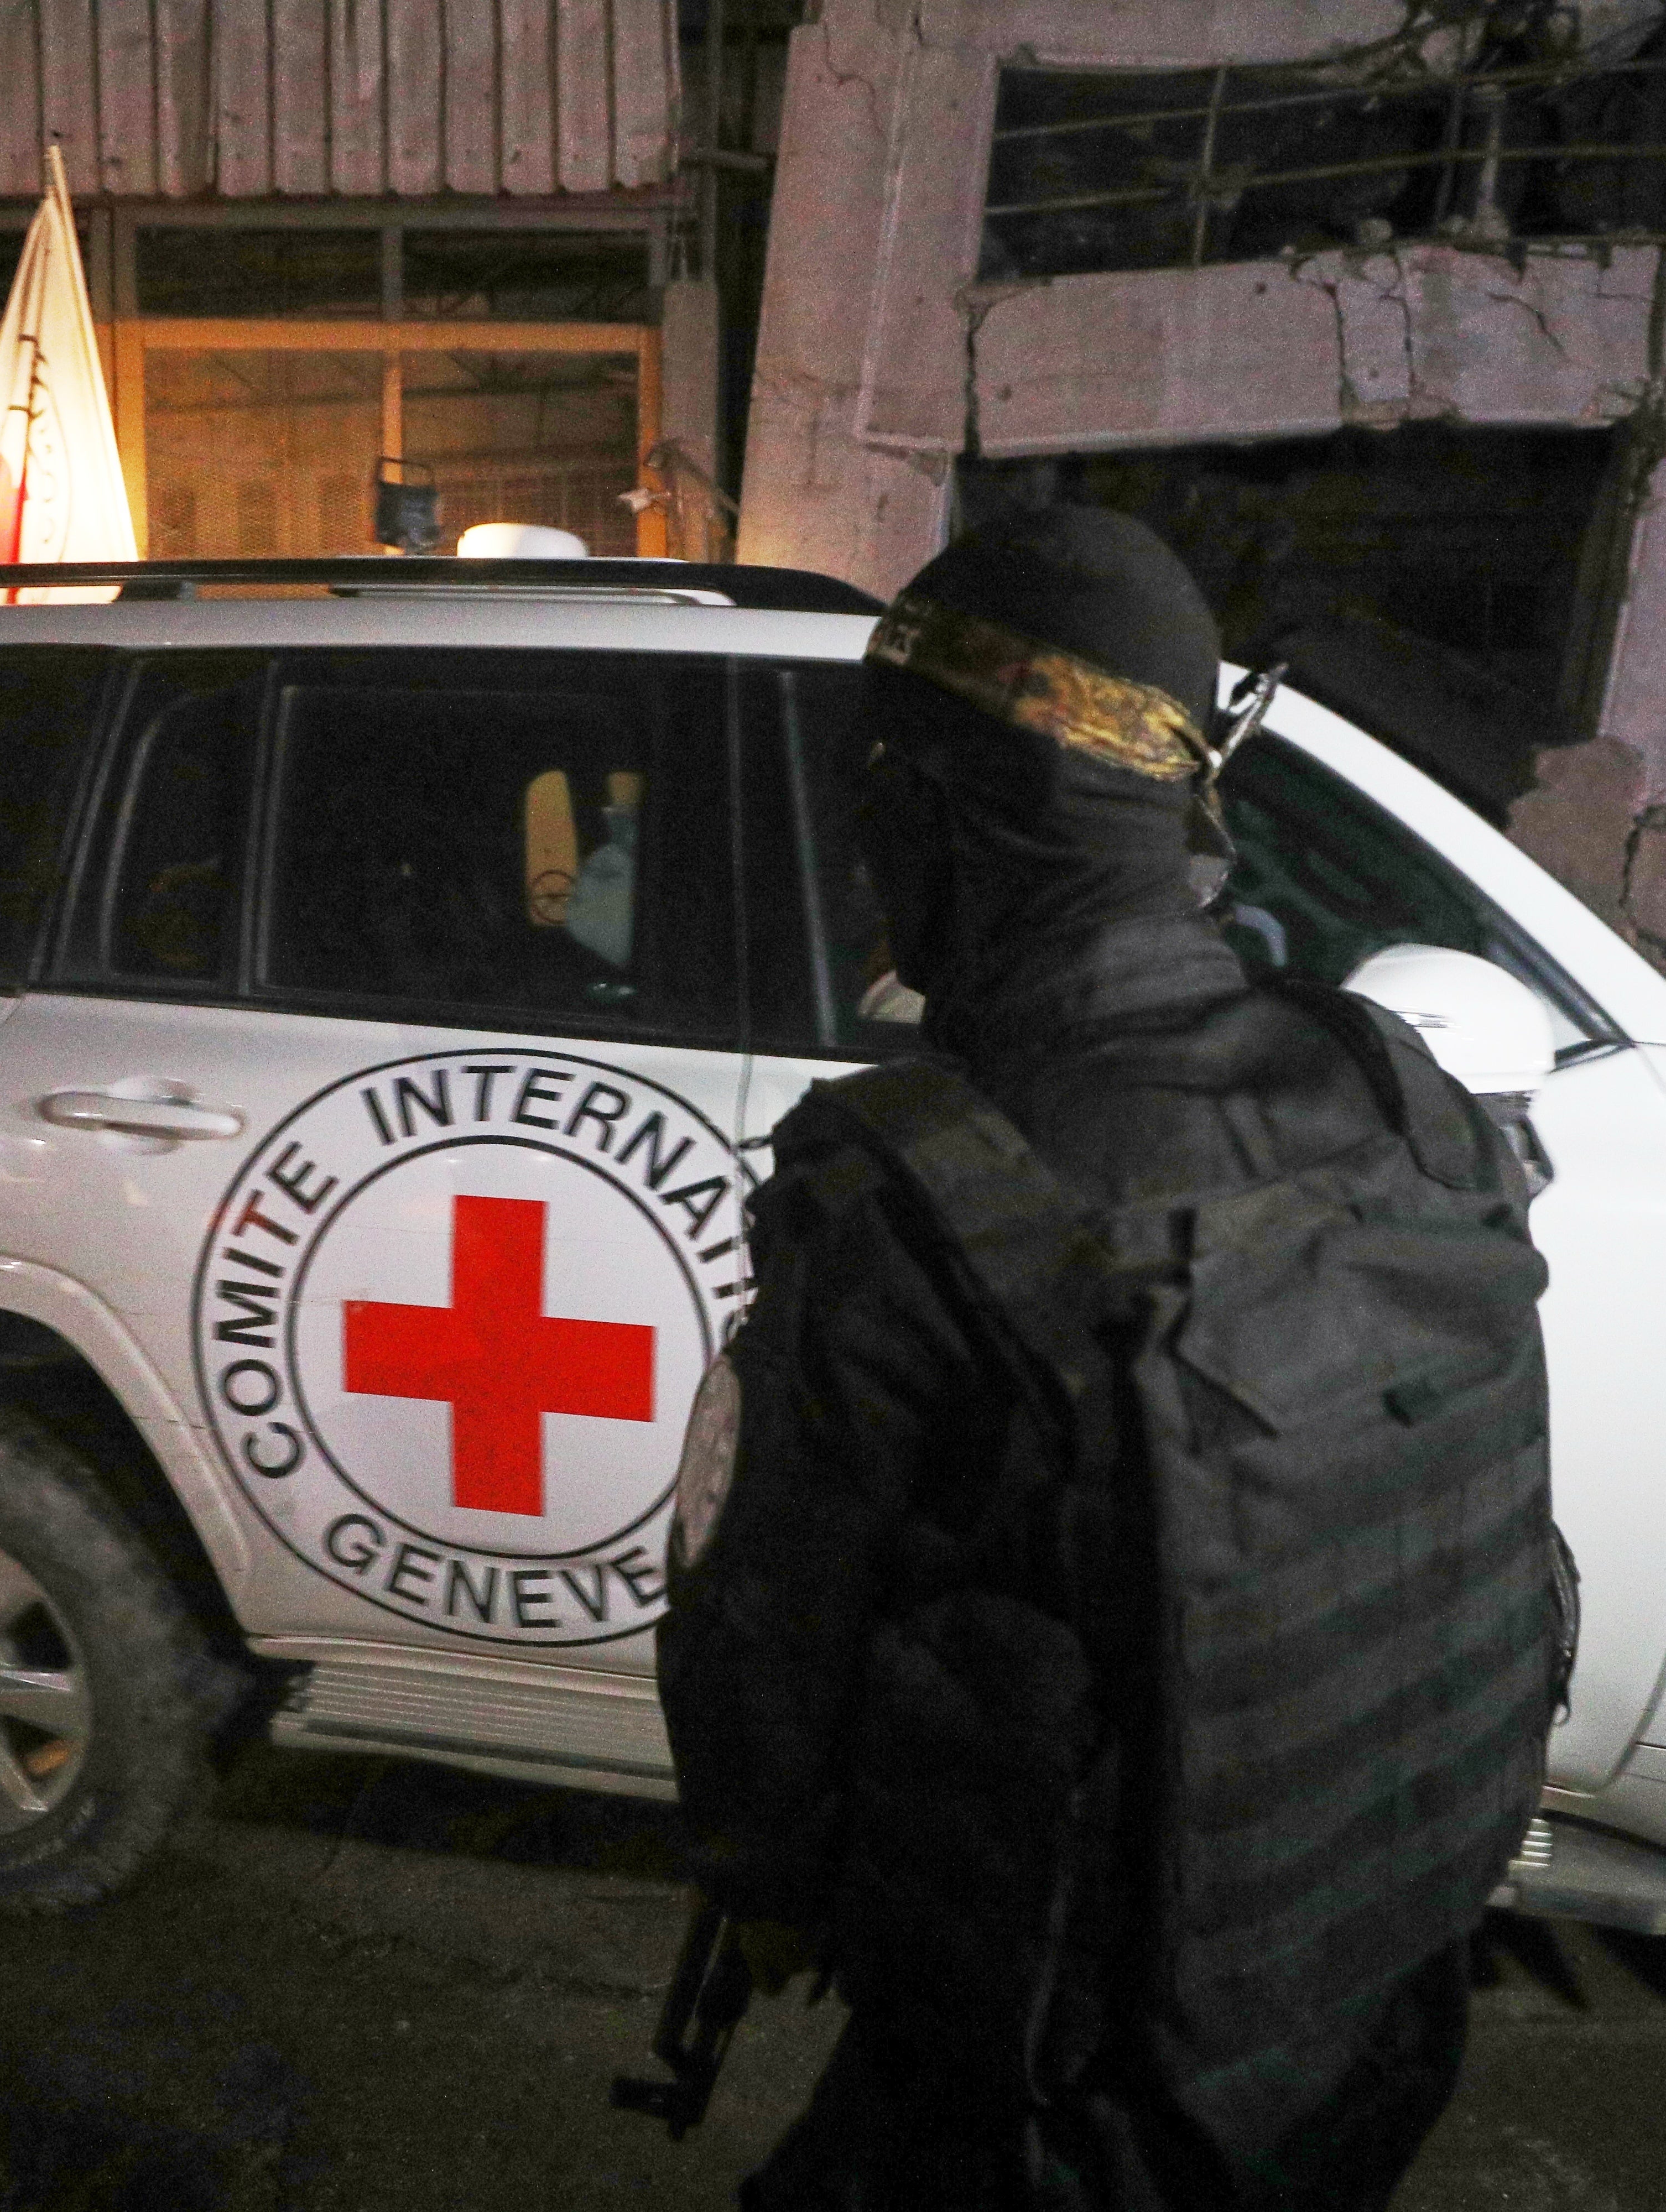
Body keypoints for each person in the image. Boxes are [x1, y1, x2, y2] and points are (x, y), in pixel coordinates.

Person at [655, 505, 1559, 2210]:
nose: (862, 852)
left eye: (878, 798)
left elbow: (763, 1662)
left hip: (1065, 2097)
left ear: (936, 812)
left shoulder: (918, 1190)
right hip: (1361, 2020)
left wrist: (762, 1875)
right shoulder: (1399, 1093)